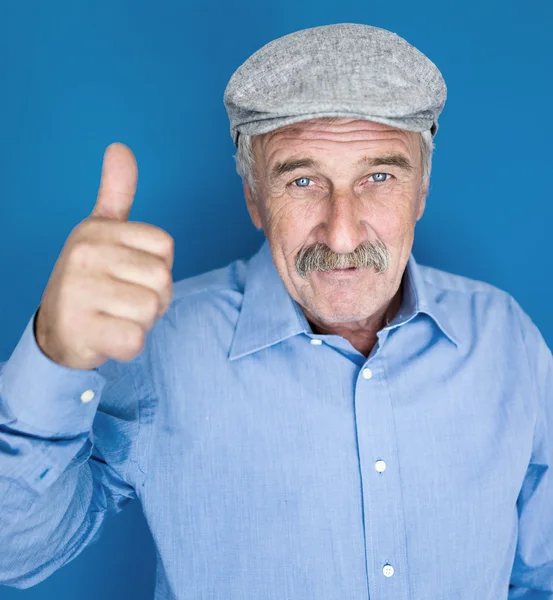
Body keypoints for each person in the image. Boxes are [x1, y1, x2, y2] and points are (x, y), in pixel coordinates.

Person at [0, 22, 551, 600]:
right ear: (255, 198)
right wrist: (55, 357)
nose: (341, 235)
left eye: (379, 177)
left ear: (422, 191)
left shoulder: (503, 335)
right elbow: (13, 551)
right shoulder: (158, 343)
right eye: (304, 180)